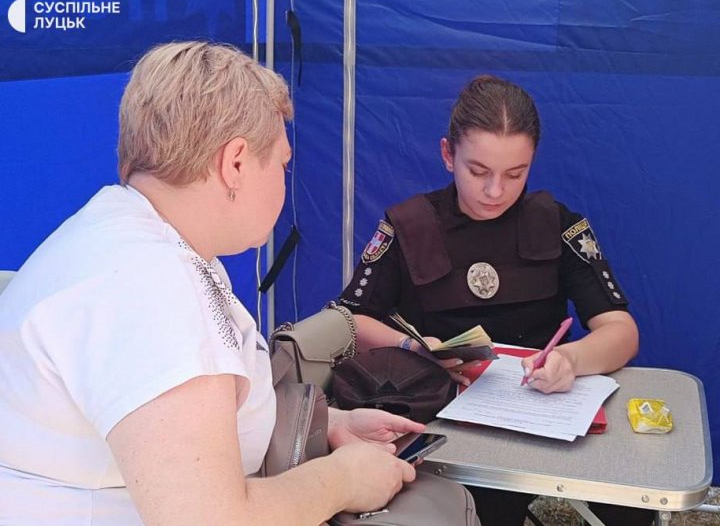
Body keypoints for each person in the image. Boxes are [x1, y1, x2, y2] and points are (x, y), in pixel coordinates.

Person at [0, 41, 424, 526]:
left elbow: (182, 430)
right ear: (236, 163)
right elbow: (208, 518)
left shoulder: (130, 238)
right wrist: (342, 481)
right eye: (282, 164)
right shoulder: (149, 287)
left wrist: (327, 426)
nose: (285, 181)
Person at [338, 75, 653, 525]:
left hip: (544, 414)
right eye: (478, 171)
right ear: (448, 154)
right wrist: (414, 348)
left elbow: (622, 331)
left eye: (515, 174)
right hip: (448, 420)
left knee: (632, 504)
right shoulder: (409, 226)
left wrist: (571, 359)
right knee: (484, 512)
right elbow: (350, 320)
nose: (495, 192)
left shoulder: (558, 225)